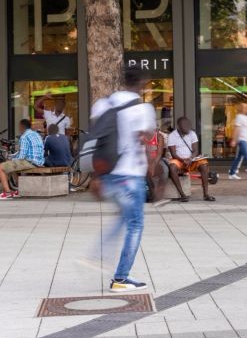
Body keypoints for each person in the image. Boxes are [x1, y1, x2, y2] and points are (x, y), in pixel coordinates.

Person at [91, 68, 156, 293]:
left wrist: (95, 177)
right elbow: (147, 137)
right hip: (130, 175)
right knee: (135, 224)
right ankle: (121, 278)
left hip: (107, 173)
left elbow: (95, 139)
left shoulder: (103, 104)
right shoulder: (143, 108)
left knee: (124, 216)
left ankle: (99, 253)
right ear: (143, 83)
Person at [167, 116, 215, 202]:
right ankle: (182, 195)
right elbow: (173, 154)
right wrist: (183, 160)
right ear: (178, 126)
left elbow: (195, 150)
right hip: (179, 160)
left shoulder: (192, 134)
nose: (187, 128)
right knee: (172, 167)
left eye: (188, 125)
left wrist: (191, 158)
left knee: (204, 164)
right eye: (184, 126)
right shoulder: (172, 136)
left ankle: (206, 194)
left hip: (191, 160)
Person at [0, 119, 44, 200]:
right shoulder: (36, 135)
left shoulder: (24, 136)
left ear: (21, 127)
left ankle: (7, 193)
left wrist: (11, 159)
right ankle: (20, 190)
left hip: (30, 162)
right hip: (39, 162)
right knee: (14, 164)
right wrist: (12, 157)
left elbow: (21, 156)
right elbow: (24, 152)